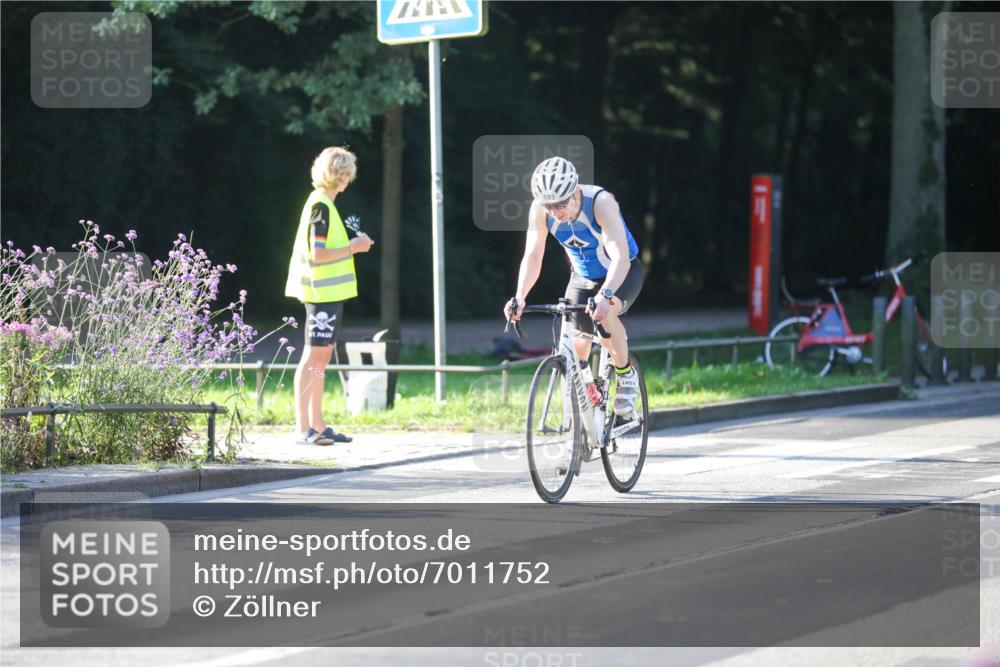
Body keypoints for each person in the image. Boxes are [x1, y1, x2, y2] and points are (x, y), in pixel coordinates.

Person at [504, 156, 644, 417]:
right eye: (549, 206)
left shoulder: (601, 203)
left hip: (622, 271)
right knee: (574, 345)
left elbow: (620, 257)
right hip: (582, 276)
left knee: (606, 316)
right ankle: (590, 394)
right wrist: (520, 297)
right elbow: (533, 256)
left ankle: (626, 375)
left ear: (575, 191)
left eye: (560, 204)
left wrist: (606, 294)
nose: (555, 212)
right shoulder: (540, 211)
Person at [285, 146, 374, 445]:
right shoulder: (321, 206)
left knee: (320, 360)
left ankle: (318, 424)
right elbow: (317, 255)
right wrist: (354, 247)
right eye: (348, 173)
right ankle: (302, 428)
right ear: (344, 176)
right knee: (313, 357)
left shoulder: (323, 204)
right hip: (320, 294)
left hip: (329, 295)